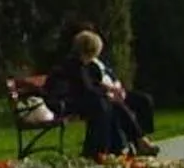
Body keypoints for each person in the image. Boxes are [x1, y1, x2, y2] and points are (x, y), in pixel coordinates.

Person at [61, 28, 156, 159]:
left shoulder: (81, 64)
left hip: (88, 101)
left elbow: (92, 86)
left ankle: (138, 141)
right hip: (73, 104)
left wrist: (109, 91)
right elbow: (86, 88)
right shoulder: (75, 65)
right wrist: (107, 93)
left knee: (118, 104)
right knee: (114, 105)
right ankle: (138, 141)